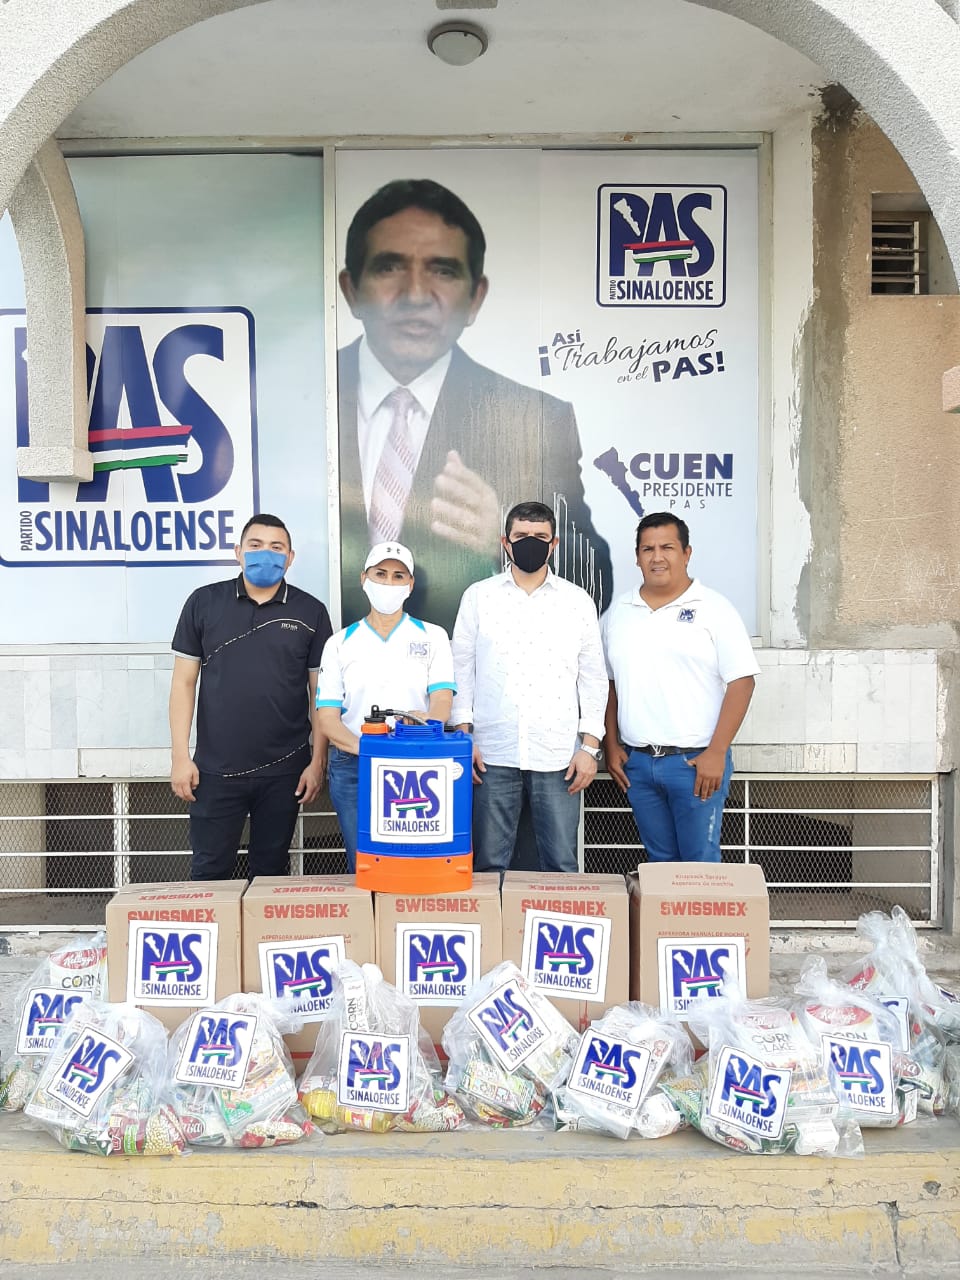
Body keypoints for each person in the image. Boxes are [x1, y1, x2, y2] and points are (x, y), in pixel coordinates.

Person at [337, 177, 612, 635]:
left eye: (443, 271)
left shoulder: (534, 420)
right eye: (389, 267)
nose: (416, 294)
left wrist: (506, 545)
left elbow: (594, 581)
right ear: (351, 290)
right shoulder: (307, 399)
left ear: (475, 298)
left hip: (469, 668)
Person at [169, 514, 332, 880]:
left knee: (270, 874)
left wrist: (317, 761)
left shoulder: (311, 612)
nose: (265, 554)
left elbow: (320, 694)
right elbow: (183, 684)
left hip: (286, 770)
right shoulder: (204, 603)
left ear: (290, 557)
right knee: (209, 872)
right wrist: (180, 756)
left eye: (277, 547)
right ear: (238, 552)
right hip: (214, 770)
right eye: (255, 546)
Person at [450, 501, 608, 874]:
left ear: (554, 544)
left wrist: (590, 748)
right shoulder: (479, 596)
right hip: (491, 754)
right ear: (505, 542)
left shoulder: (577, 602)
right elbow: (461, 669)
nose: (530, 543)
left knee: (560, 865)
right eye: (521, 536)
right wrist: (464, 738)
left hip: (558, 756)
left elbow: (593, 677)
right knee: (488, 866)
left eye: (540, 536)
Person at [602, 512, 759, 863]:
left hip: (695, 763)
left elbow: (742, 682)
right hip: (639, 764)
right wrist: (611, 745)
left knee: (700, 866)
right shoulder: (618, 613)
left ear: (686, 553)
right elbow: (608, 684)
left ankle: (702, 909)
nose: (657, 557)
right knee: (659, 866)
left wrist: (717, 752)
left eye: (667, 548)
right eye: (648, 549)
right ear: (637, 557)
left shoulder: (714, 609)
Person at [315, 541, 456, 871]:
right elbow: (328, 719)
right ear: (364, 579)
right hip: (354, 766)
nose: (388, 583)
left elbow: (442, 700)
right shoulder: (339, 644)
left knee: (413, 865)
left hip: (417, 766)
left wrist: (427, 726)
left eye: (398, 576)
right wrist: (369, 749)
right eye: (380, 574)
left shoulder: (433, 636)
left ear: (410, 585)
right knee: (366, 864)